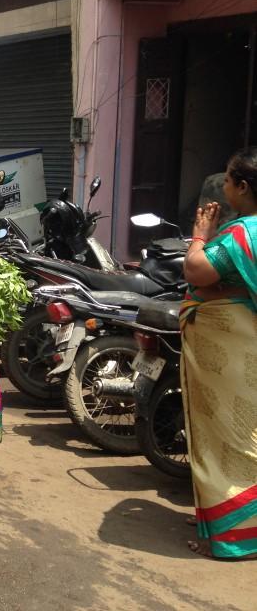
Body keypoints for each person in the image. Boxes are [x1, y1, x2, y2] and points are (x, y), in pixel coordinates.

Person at [180, 147, 257, 561]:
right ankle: (222, 517)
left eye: (228, 180)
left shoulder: (243, 233)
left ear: (243, 187)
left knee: (231, 436)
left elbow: (196, 271)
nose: (225, 186)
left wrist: (200, 234)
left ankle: (239, 534)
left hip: (233, 352)